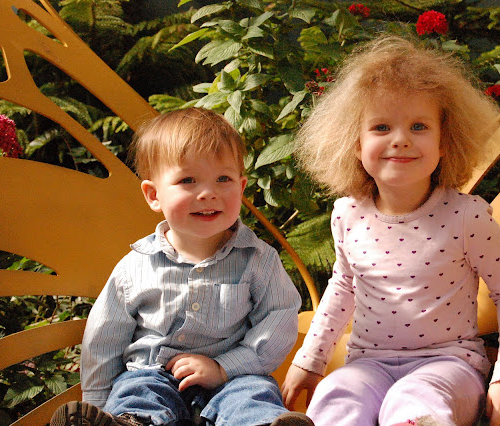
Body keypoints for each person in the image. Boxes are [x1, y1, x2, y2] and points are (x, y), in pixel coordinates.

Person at [281, 35, 500, 426]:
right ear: (355, 143)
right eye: (381, 126)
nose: (400, 139)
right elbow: (344, 287)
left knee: (414, 398)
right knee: (338, 391)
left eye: (419, 126)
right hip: (368, 365)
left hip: (450, 367)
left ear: (444, 141)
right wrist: (310, 361)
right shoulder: (348, 214)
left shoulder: (466, 216)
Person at [51, 108, 314, 426]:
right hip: (153, 375)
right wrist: (96, 404)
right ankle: (130, 422)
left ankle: (262, 423)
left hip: (233, 379)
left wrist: (225, 367)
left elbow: (279, 319)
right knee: (137, 391)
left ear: (241, 187)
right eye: (188, 180)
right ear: (153, 195)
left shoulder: (258, 260)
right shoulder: (135, 267)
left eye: (223, 179)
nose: (209, 193)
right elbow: (104, 339)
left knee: (254, 395)